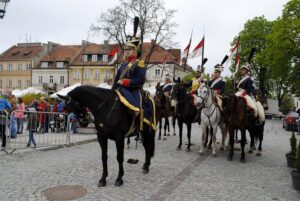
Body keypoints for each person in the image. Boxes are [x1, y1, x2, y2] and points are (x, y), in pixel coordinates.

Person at [112, 33, 146, 135]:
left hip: (134, 90)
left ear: (135, 51)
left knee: (136, 107)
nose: (126, 51)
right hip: (121, 88)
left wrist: (127, 82)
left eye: (129, 49)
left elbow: (141, 80)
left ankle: (136, 114)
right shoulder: (123, 65)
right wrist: (111, 91)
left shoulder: (139, 63)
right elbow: (116, 79)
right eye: (125, 49)